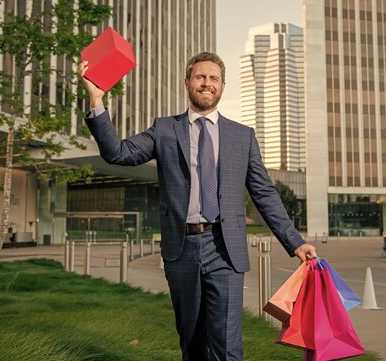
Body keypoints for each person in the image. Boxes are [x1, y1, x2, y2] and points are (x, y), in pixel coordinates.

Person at [78, 52, 317, 361]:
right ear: (187, 83)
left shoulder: (242, 136)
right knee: (192, 344)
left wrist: (295, 242)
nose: (207, 83)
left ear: (223, 86)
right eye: (200, 77)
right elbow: (118, 153)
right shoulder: (164, 129)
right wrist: (97, 101)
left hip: (225, 249)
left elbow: (264, 194)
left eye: (213, 78)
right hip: (182, 249)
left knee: (227, 345)